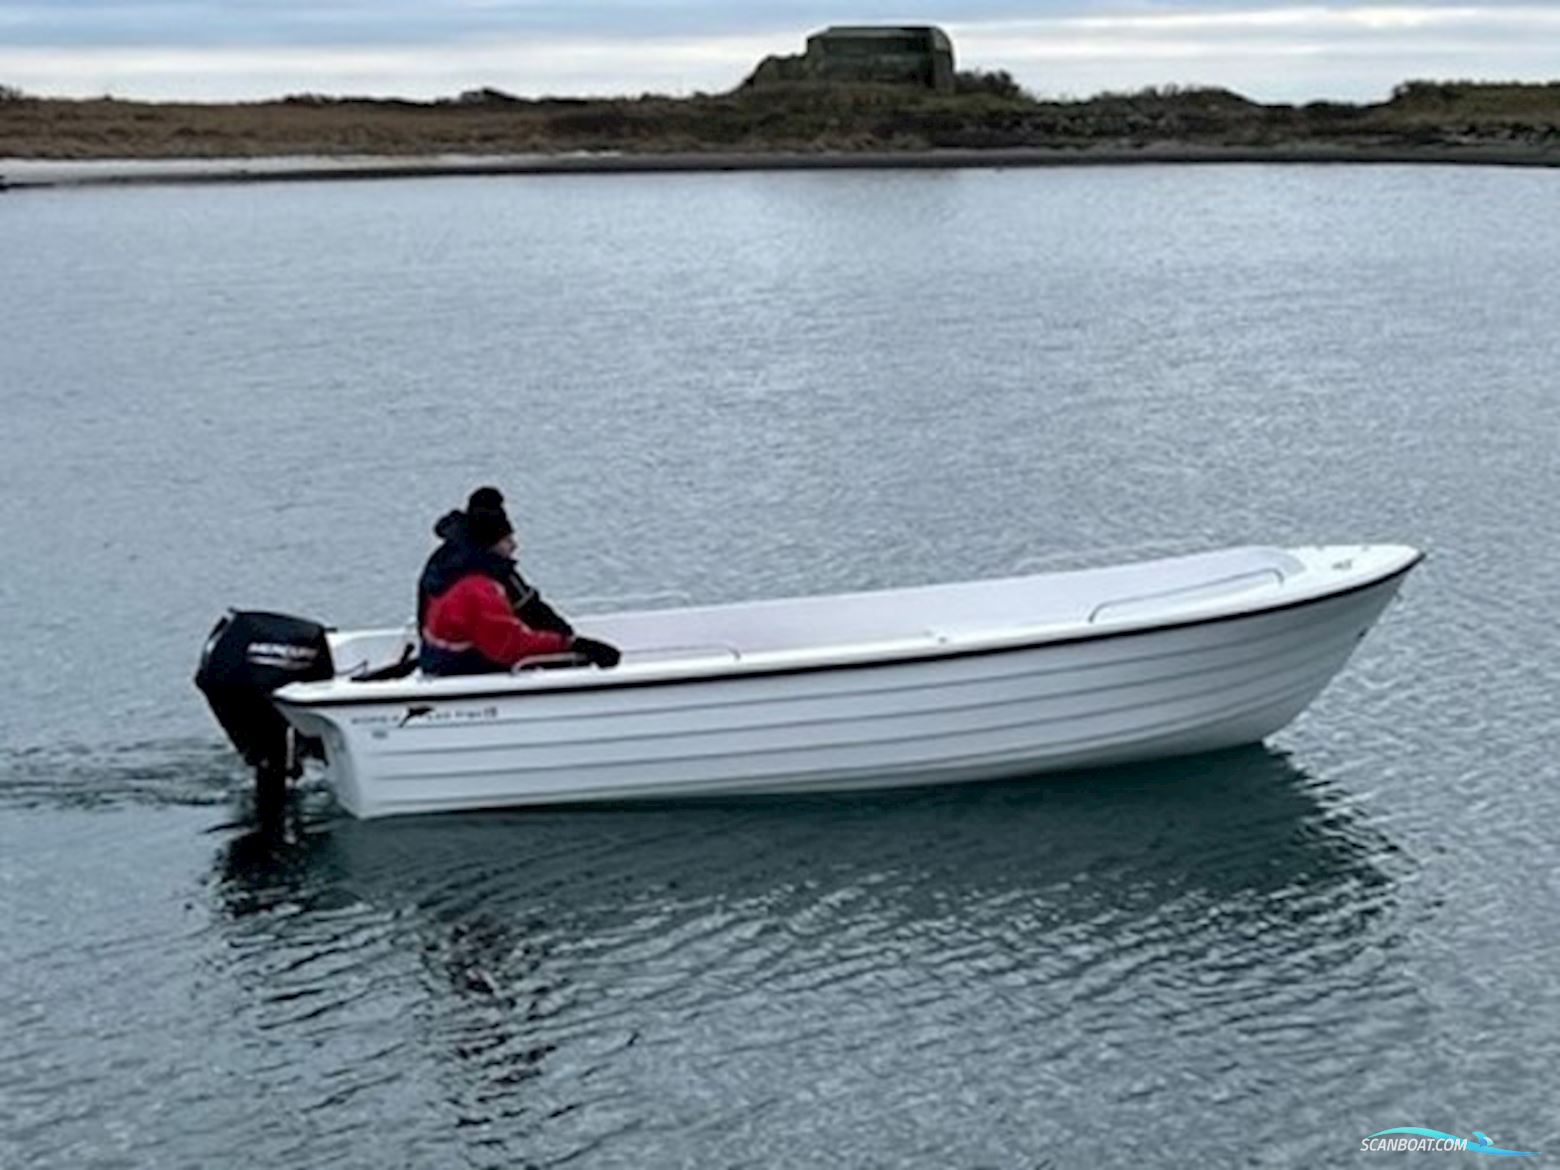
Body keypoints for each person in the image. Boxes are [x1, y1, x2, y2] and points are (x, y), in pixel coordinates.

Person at [418, 489, 621, 676]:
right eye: (507, 540)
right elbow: (509, 645)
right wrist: (571, 644)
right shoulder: (479, 589)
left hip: (442, 662)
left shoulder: (447, 567)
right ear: (489, 545)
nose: (515, 545)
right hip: (468, 670)